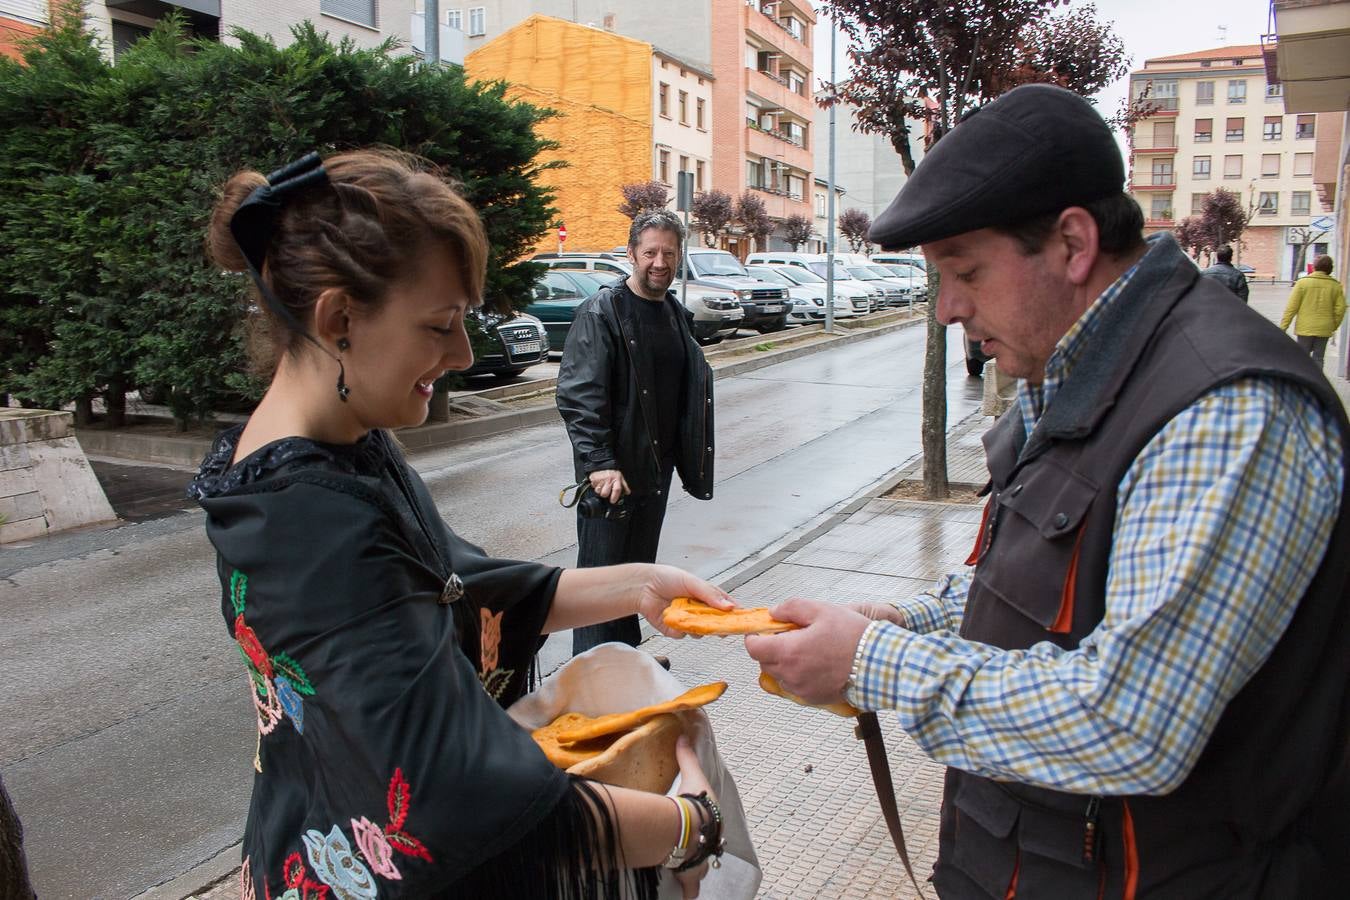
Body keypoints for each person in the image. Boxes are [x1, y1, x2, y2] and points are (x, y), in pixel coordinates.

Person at [746, 84, 1350, 898]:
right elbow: (1039, 581)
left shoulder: (1224, 408)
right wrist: (905, 621)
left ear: (1072, 242)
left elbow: (1133, 720)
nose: (947, 311)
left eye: (965, 272)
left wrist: (876, 664)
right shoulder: (1067, 367)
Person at [189, 150, 732, 899]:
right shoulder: (309, 526)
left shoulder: (330, 446)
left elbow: (463, 586)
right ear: (339, 317)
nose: (463, 353)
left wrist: (641, 584)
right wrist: (690, 828)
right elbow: (459, 799)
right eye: (441, 325)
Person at [555, 209, 715, 656]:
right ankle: (590, 675)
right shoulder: (602, 311)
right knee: (598, 587)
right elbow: (579, 395)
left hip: (653, 472)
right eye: (650, 252)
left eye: (669, 252)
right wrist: (600, 464)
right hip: (612, 478)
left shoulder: (675, 314)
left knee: (636, 580)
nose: (659, 262)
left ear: (679, 256)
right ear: (631, 254)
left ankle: (625, 663)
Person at [1280, 254, 1346, 367]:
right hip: (1324, 328)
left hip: (1305, 328)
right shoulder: (1335, 286)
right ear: (1330, 268)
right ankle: (1317, 383)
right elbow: (1341, 309)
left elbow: (1291, 308)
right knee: (1319, 358)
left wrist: (1283, 327)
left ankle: (1302, 382)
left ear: (1314, 267)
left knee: (1302, 358)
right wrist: (1333, 325)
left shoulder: (1302, 283)